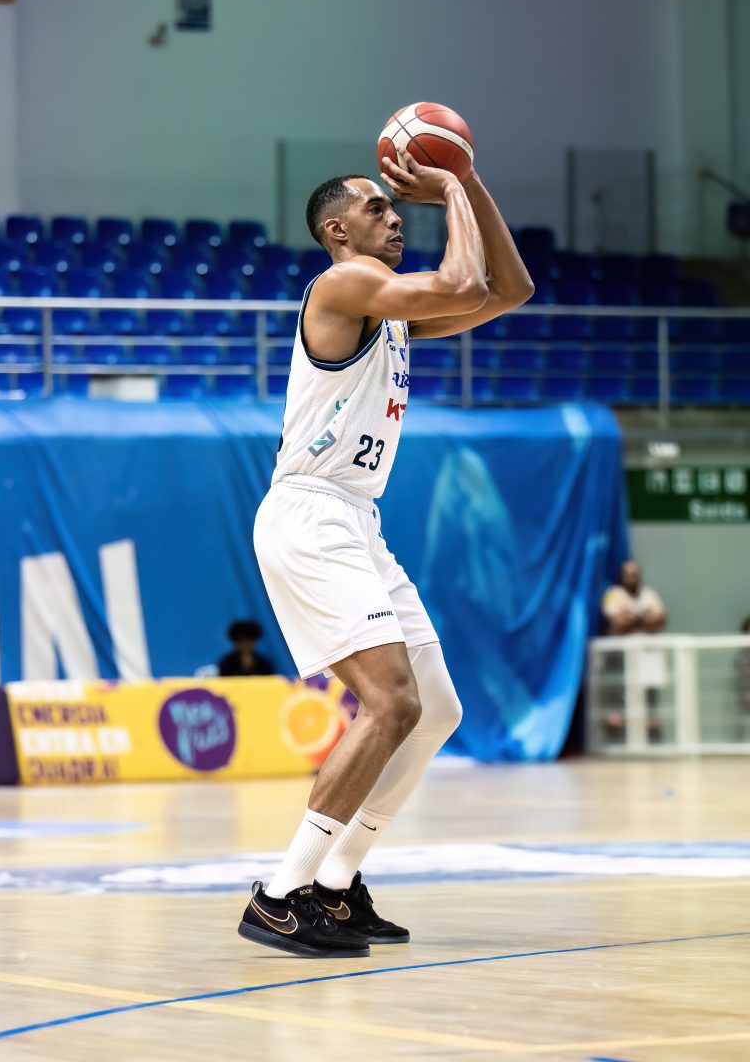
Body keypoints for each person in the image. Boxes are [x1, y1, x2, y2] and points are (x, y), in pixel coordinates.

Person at [238, 148, 533, 958]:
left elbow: (509, 290)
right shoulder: (342, 286)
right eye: (378, 209)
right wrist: (448, 184)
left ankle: (337, 885)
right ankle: (279, 895)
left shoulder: (390, 312)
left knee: (437, 710)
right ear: (337, 231)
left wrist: (472, 182)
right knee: (391, 702)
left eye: (397, 208)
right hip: (309, 513)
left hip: (356, 519)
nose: (396, 218)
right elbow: (459, 283)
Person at [600, 560, 667, 742]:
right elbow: (618, 624)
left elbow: (660, 619)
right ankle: (619, 737)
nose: (632, 578)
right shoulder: (613, 595)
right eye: (628, 575)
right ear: (621, 577)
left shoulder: (649, 594)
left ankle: (649, 736)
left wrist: (631, 617)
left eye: (635, 574)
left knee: (647, 699)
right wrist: (644, 617)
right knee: (618, 702)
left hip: (646, 655)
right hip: (618, 658)